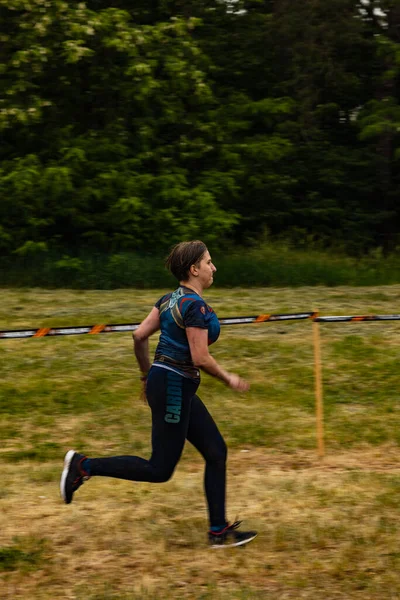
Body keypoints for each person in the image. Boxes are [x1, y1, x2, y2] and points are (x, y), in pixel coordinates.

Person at [60, 240, 257, 548]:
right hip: (175, 386)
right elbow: (200, 357)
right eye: (208, 262)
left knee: (216, 451)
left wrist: (146, 374)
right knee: (159, 469)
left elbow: (139, 336)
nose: (213, 267)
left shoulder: (168, 300)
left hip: (170, 383)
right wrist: (228, 378)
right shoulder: (194, 306)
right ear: (194, 269)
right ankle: (84, 466)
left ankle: (218, 531)